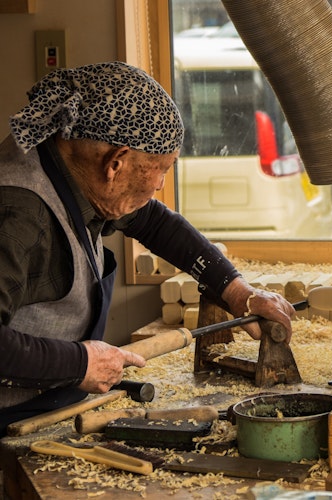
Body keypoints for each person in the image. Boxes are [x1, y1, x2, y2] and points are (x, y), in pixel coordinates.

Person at [0, 61, 296, 436]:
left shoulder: (70, 163)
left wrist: (238, 292)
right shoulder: (18, 214)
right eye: (162, 169)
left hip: (51, 405)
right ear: (116, 164)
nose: (159, 185)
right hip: (11, 420)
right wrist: (79, 363)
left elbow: (155, 223)